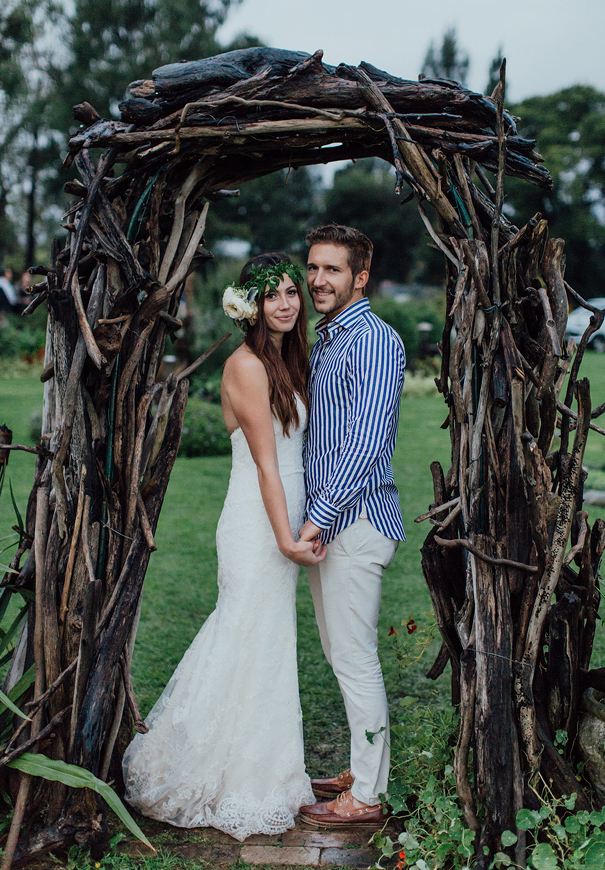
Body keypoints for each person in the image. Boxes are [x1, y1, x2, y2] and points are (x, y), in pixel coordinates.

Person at [123, 253, 324, 841]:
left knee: (264, 641)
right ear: (251, 307)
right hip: (256, 522)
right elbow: (266, 463)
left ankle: (261, 767)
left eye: (292, 292)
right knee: (246, 634)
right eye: (273, 296)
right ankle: (224, 774)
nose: (287, 303)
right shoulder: (247, 367)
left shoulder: (284, 362)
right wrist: (286, 538)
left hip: (283, 515)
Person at [298, 225, 406, 828]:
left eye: (332, 270)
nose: (317, 280)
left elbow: (365, 443)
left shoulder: (372, 342)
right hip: (339, 522)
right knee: (342, 653)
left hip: (356, 522)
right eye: (313, 267)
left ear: (360, 277)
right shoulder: (335, 337)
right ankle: (362, 767)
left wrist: (320, 516)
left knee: (355, 655)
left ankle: (366, 795)